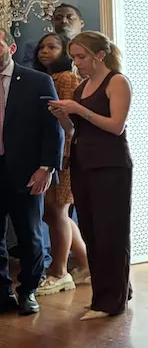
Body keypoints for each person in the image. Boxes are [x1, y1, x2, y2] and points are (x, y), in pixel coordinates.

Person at [48, 31, 133, 321]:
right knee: (92, 231)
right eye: (73, 57)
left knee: (111, 233)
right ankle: (108, 293)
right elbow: (75, 131)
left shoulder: (117, 81)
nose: (77, 63)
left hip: (111, 165)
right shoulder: (82, 86)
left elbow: (116, 126)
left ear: (100, 55)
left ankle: (111, 301)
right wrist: (63, 117)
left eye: (81, 56)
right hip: (83, 164)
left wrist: (78, 109)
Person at [0, 28, 63, 315]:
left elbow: (52, 129)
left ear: (11, 48)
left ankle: (28, 290)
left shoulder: (37, 81)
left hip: (27, 172)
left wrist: (46, 168)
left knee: (30, 235)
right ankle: (2, 293)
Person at [32, 32, 90, 296]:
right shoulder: (47, 77)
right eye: (42, 47)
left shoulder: (66, 78)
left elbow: (67, 123)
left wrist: (63, 156)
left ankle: (59, 271)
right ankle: (86, 264)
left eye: (52, 47)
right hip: (51, 155)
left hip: (62, 157)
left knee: (57, 211)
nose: (45, 51)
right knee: (55, 212)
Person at [19, 3, 85, 67]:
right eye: (58, 18)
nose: (64, 21)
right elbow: (29, 71)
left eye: (70, 17)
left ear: (81, 23)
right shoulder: (34, 47)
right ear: (53, 22)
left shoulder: (89, 45)